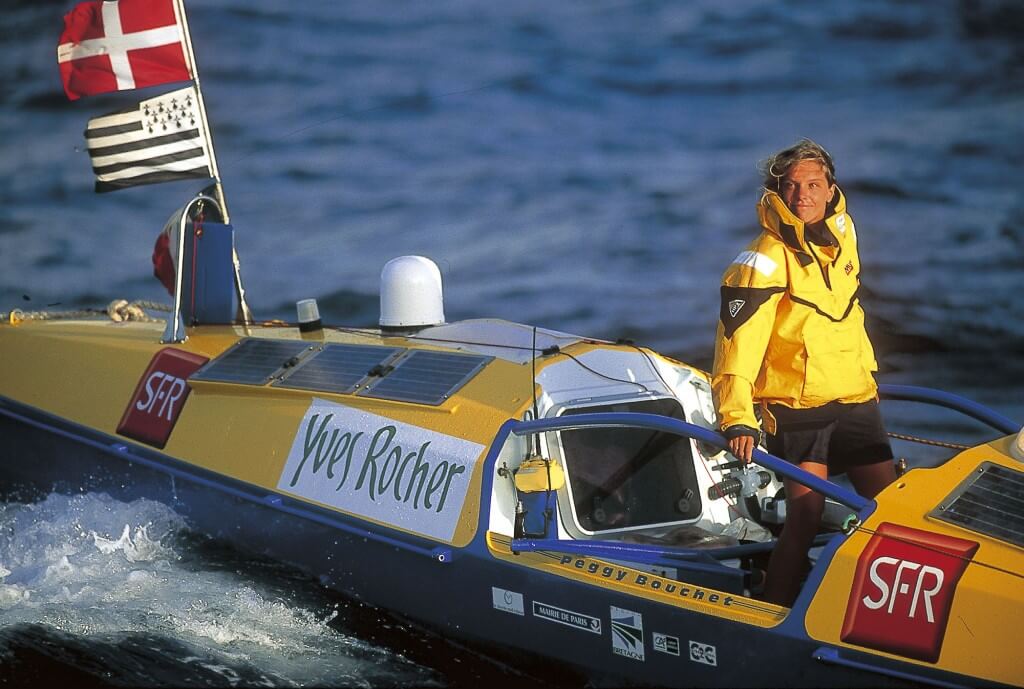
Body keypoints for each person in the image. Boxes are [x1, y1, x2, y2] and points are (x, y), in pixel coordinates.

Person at [711, 139, 896, 606]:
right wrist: (737, 418)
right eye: (792, 187)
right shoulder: (763, 259)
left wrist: (867, 383)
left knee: (890, 510)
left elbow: (847, 318)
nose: (803, 196)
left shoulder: (844, 233)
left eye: (813, 184)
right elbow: (737, 346)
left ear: (831, 189)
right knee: (807, 514)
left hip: (854, 399)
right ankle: (774, 610)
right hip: (798, 410)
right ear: (777, 193)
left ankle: (875, 603)